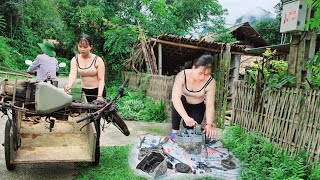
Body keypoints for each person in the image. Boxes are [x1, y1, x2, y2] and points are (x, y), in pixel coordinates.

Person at [170, 54, 216, 141]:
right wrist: (185, 117)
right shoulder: (181, 75)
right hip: (182, 104)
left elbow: (210, 104)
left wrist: (209, 124)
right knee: (178, 100)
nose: (202, 77)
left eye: (206, 74)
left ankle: (192, 128)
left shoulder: (211, 82)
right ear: (193, 67)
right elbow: (175, 98)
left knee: (190, 129)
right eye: (200, 73)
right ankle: (174, 132)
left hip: (197, 106)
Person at [64, 34, 106, 102]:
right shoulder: (75, 59)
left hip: (98, 91)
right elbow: (73, 74)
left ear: (90, 47)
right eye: (80, 46)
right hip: (84, 91)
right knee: (85, 111)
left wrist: (99, 96)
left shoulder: (98, 60)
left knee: (98, 111)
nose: (82, 49)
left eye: (85, 47)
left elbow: (101, 79)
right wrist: (69, 85)